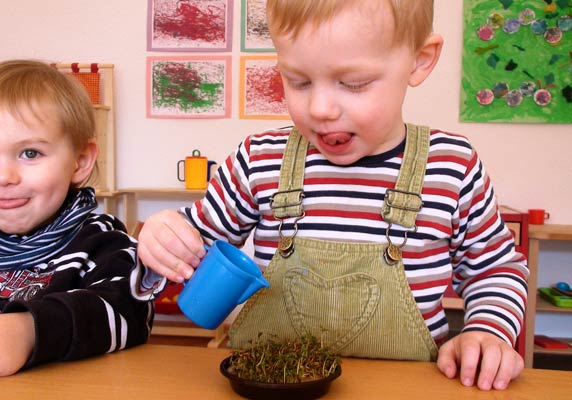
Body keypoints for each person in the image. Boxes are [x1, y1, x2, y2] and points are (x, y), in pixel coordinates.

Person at [136, 0, 528, 391]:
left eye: (353, 83)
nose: (320, 108)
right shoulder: (259, 160)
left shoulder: (451, 167)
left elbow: (495, 271)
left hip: (403, 390)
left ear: (419, 61)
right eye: (297, 81)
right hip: (272, 389)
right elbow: (193, 246)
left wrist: (488, 332)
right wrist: (162, 239)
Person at [0, 60, 153, 378]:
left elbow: (131, 312)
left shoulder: (100, 241)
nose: (2, 176)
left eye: (30, 153)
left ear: (80, 162)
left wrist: (31, 331)